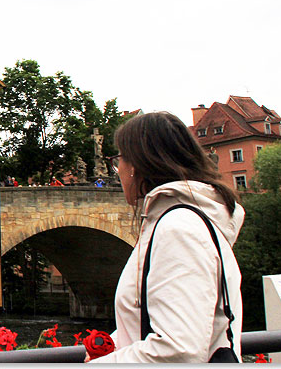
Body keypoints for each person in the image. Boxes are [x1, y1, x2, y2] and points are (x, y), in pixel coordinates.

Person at [89, 112, 244, 363]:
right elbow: (156, 320)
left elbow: (179, 349)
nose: (118, 171)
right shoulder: (176, 222)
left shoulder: (179, 229)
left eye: (119, 160)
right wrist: (115, 345)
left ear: (136, 166)